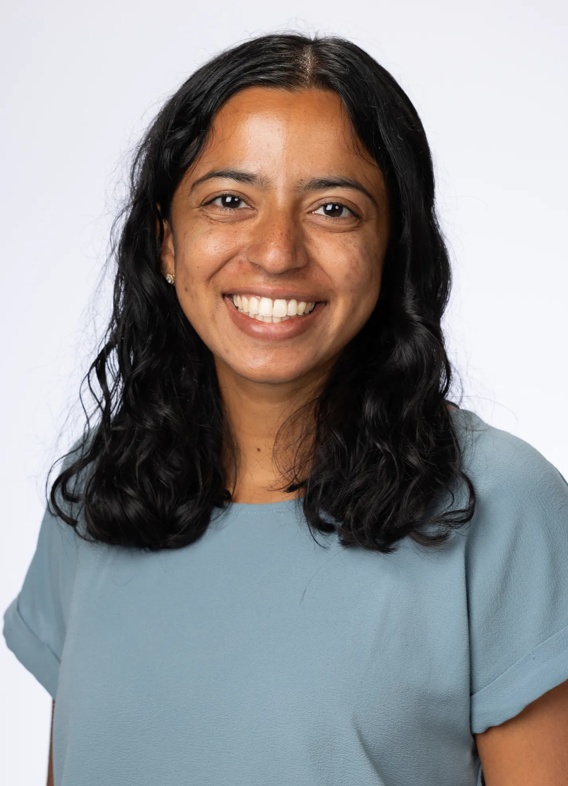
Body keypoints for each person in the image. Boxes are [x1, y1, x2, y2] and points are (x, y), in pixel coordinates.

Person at [3, 32, 568, 786]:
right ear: (167, 244)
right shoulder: (99, 492)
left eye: (333, 208)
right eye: (230, 201)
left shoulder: (500, 504)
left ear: (394, 248)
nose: (275, 252)